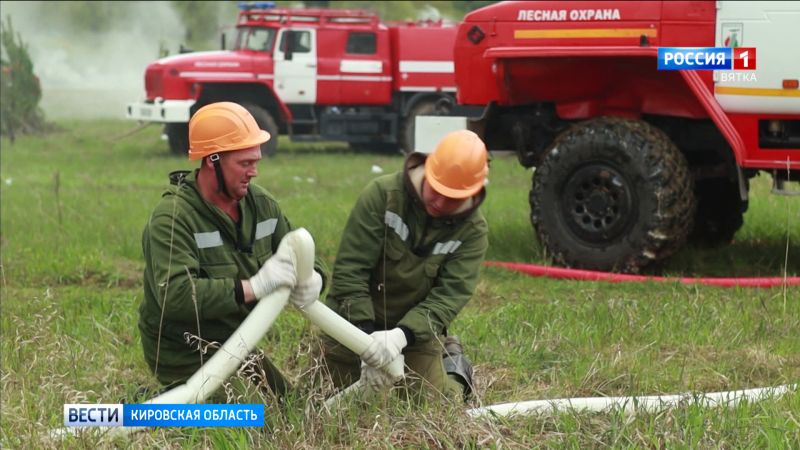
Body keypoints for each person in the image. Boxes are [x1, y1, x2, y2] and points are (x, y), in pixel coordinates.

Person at [138, 102, 324, 398]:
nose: (254, 172)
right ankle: (143, 408)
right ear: (212, 161)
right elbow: (176, 297)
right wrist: (254, 287)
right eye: (245, 163)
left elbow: (299, 252)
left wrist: (314, 278)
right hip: (185, 349)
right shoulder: (172, 218)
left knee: (291, 410)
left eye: (256, 161)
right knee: (249, 421)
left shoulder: (261, 206)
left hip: (236, 341)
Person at [320, 129, 489, 402]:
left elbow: (448, 298)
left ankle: (454, 365)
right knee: (325, 401)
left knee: (433, 407)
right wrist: (366, 341)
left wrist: (400, 336)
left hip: (414, 333)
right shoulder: (382, 195)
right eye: (437, 190)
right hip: (354, 323)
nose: (440, 202)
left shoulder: (473, 231)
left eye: (453, 198)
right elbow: (350, 272)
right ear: (428, 170)